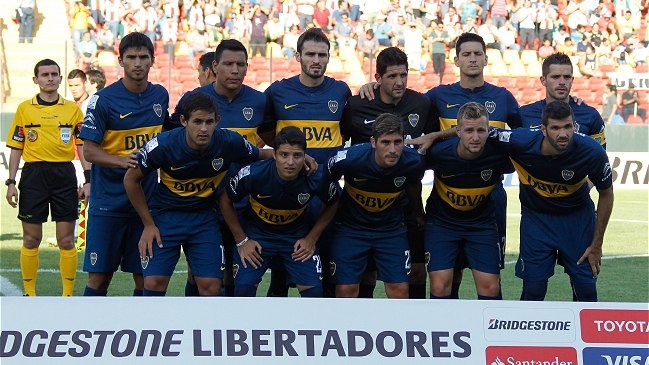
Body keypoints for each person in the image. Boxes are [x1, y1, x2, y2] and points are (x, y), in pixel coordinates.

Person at [123, 92, 270, 296]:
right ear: (183, 120)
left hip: (204, 218)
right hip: (166, 216)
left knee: (211, 286)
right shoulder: (163, 145)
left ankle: (205, 328)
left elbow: (261, 154)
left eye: (209, 122)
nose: (203, 128)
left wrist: (299, 158)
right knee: (154, 282)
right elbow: (130, 179)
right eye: (197, 121)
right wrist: (148, 224)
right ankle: (153, 327)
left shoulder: (229, 141)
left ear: (217, 121)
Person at [170, 40, 273, 297]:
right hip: (203, 204)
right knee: (201, 272)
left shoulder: (259, 102)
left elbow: (274, 142)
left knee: (238, 270)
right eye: (228, 64)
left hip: (245, 204)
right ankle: (195, 326)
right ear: (215, 66)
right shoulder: (193, 100)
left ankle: (228, 330)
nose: (235, 70)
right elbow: (173, 144)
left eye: (240, 64)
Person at [340, 47, 440, 299]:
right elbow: (342, 146)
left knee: (417, 272)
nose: (399, 82)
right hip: (362, 208)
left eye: (403, 75)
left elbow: (433, 142)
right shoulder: (357, 105)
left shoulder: (423, 104)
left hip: (404, 204)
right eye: (392, 76)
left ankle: (412, 327)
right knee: (366, 274)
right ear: (378, 78)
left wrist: (418, 209)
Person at [258, 28, 352, 297]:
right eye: (310, 54)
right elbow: (267, 134)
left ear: (329, 57)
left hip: (327, 197)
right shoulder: (277, 92)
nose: (316, 60)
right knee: (281, 276)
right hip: (288, 196)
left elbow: (345, 132)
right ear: (298, 56)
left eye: (322, 55)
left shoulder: (340, 91)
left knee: (330, 272)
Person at [489, 100, 614, 301]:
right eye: (555, 128)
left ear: (575, 126)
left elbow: (607, 193)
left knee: (586, 290)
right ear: (543, 130)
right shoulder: (520, 140)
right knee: (534, 289)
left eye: (567, 127)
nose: (562, 134)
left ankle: (581, 333)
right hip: (537, 219)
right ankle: (530, 332)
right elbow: (478, 129)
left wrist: (597, 243)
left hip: (577, 219)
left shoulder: (592, 152)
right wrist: (435, 135)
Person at [79, 32, 171, 297]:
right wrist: (122, 161)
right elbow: (89, 150)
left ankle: (145, 336)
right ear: (120, 60)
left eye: (143, 57)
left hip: (146, 206)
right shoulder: (103, 100)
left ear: (153, 60)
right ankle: (92, 335)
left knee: (146, 280)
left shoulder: (159, 96)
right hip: (108, 205)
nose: (138, 63)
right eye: (131, 57)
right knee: (99, 279)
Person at [219, 126, 341, 298]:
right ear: (274, 154)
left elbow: (333, 202)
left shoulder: (317, 177)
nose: (290, 162)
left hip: (295, 238)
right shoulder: (254, 173)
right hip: (257, 236)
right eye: (284, 155)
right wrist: (242, 240)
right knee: (243, 291)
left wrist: (311, 239)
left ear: (305, 155)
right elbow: (225, 199)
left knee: (314, 294)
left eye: (297, 155)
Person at [5, 58, 90, 296]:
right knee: (31, 239)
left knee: (66, 240)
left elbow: (82, 146)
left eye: (54, 74)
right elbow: (16, 147)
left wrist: (88, 179)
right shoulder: (24, 108)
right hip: (33, 176)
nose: (50, 78)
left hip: (64, 175)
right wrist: (11, 183)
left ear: (60, 79)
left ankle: (67, 295)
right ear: (36, 80)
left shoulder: (72, 110)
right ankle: (29, 293)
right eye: (45, 75)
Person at [328, 113, 425, 299]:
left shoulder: (414, 162)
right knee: (345, 291)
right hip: (351, 229)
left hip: (390, 230)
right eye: (385, 142)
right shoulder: (349, 158)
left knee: (400, 291)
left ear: (405, 140)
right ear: (373, 142)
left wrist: (418, 214)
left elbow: (414, 185)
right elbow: (325, 179)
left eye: (398, 142)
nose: (392, 149)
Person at [424, 102, 512, 300]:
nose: (475, 137)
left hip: (481, 225)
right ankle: (444, 330)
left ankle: (490, 331)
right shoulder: (437, 153)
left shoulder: (500, 153)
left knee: (491, 287)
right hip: (442, 224)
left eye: (481, 130)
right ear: (457, 131)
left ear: (489, 130)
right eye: (469, 130)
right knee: (439, 286)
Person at [521, 53, 606, 148]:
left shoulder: (590, 115)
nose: (562, 82)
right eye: (555, 77)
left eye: (567, 77)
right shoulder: (524, 114)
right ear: (543, 80)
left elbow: (599, 158)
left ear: (572, 80)